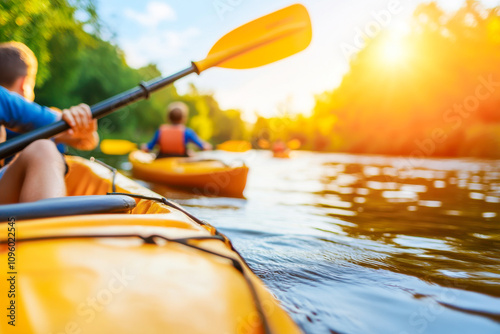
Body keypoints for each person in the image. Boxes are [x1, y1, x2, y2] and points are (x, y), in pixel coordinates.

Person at [0, 41, 98, 204]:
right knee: (43, 148)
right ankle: (48, 228)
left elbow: (89, 139)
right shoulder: (10, 103)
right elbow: (88, 139)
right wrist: (81, 121)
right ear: (24, 84)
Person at [142, 101, 212, 158]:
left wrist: (143, 146)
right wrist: (208, 146)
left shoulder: (160, 131)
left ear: (168, 118)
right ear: (183, 118)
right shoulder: (187, 132)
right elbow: (204, 147)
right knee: (191, 153)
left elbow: (147, 148)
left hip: (163, 161)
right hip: (181, 163)